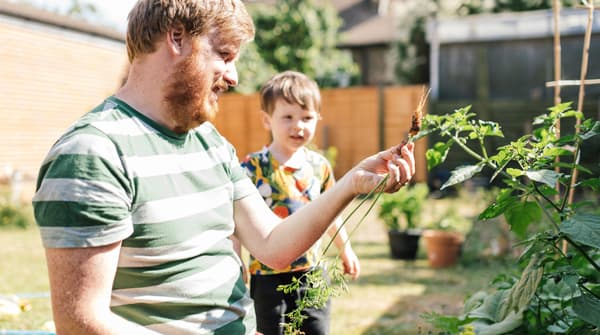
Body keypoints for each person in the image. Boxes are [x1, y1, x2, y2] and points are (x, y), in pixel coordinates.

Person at [31, 1, 415, 334]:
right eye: (225, 55)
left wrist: (351, 183)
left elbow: (273, 246)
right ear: (177, 38)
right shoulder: (93, 153)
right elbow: (81, 322)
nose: (234, 77)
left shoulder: (209, 142)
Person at [240, 71, 359, 335]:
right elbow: (237, 220)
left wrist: (346, 250)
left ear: (318, 118)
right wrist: (237, 262)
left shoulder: (319, 167)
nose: (298, 126)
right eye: (288, 117)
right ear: (266, 119)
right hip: (267, 275)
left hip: (312, 274)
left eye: (307, 118)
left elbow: (332, 216)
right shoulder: (252, 167)